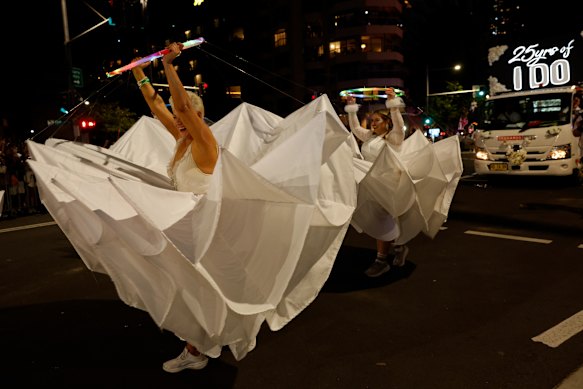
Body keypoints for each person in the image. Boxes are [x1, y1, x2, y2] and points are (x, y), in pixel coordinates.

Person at [131, 42, 218, 373]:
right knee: (187, 287)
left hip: (204, 223)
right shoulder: (182, 140)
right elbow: (161, 109)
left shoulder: (205, 141)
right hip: (185, 222)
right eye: (180, 119)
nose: (179, 121)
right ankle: (198, 346)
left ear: (197, 116)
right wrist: (139, 72)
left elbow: (180, 108)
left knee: (192, 288)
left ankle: (196, 349)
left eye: (187, 116)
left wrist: (169, 65)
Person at [344, 88, 409, 277]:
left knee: (382, 219)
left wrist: (393, 104)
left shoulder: (393, 138)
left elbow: (398, 124)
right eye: (372, 121)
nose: (373, 123)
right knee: (375, 218)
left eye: (377, 120)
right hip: (370, 184)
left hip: (388, 185)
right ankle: (399, 246)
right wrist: (351, 108)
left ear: (386, 123)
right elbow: (355, 128)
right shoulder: (369, 137)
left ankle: (381, 261)